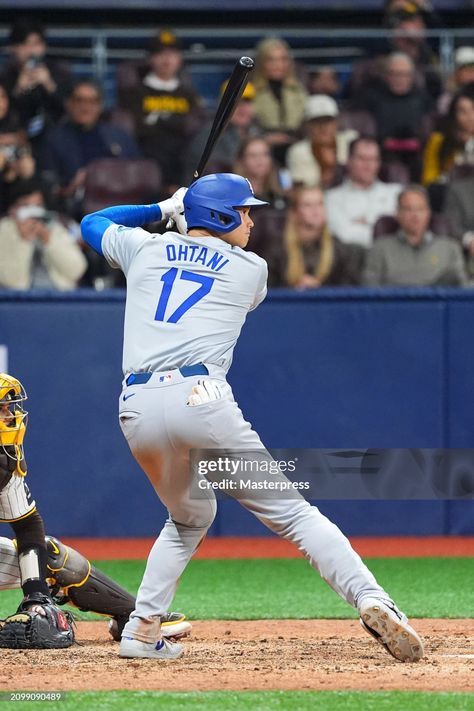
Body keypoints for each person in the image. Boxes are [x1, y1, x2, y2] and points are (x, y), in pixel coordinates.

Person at [81, 171, 425, 663]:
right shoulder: (250, 270)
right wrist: (185, 219)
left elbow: (94, 221)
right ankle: (373, 599)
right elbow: (207, 262)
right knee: (294, 515)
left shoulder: (144, 249)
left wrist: (163, 209)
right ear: (219, 216)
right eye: (242, 212)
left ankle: (141, 630)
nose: (250, 221)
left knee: (189, 515)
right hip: (200, 399)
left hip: (136, 407)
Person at [0, 372, 190, 648]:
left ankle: (133, 615)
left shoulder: (5, 461)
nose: (10, 416)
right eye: (1, 409)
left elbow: (27, 526)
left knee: (48, 555)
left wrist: (35, 594)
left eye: (9, 408)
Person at [38, 79, 140, 218]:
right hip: (79, 210)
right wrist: (71, 188)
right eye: (79, 101)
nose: (86, 107)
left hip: (122, 203)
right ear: (69, 104)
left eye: (92, 102)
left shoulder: (118, 136)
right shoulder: (55, 140)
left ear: (100, 106)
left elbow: (139, 170)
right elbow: (48, 185)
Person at [125, 30, 204, 193]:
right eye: (160, 54)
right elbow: (141, 129)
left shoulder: (188, 94)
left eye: (172, 54)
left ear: (179, 59)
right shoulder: (137, 93)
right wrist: (174, 122)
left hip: (183, 154)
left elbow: (195, 127)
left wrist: (159, 120)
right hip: (149, 154)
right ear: (150, 59)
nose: (167, 59)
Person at [363, 185, 467, 286]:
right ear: (397, 213)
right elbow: (369, 293)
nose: (415, 215)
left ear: (428, 213)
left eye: (420, 209)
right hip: (393, 303)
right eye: (408, 209)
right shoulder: (380, 248)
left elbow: (463, 292)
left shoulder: (449, 248)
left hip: (437, 303)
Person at [357, 52, 433, 181]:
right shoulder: (371, 97)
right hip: (382, 151)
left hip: (416, 153)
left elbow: (429, 128)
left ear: (412, 76)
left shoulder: (423, 98)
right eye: (395, 74)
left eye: (404, 74)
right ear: (386, 76)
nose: (400, 79)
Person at [0, 178, 87, 290]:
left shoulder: (54, 228)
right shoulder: (4, 229)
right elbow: (9, 280)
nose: (32, 212)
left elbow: (77, 270)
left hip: (57, 298)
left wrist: (48, 241)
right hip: (17, 300)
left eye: (37, 205)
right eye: (26, 206)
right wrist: (24, 240)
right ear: (13, 209)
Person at [269, 185, 362, 288]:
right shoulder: (277, 249)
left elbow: (348, 292)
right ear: (294, 213)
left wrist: (319, 290)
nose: (316, 210)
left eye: (320, 204)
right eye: (307, 205)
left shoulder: (339, 250)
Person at [0, 18, 71, 149]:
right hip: (17, 140)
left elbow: (69, 109)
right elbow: (5, 116)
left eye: (36, 44)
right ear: (13, 48)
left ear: (44, 47)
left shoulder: (59, 73)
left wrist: (50, 86)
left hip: (55, 136)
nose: (31, 51)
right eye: (25, 45)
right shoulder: (5, 77)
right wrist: (18, 90)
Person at [325, 137, 402, 249]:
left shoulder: (396, 193)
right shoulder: (332, 198)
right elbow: (344, 235)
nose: (368, 165)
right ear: (349, 161)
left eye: (373, 159)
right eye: (362, 159)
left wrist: (364, 221)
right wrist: (380, 226)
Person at [185, 81, 259, 177]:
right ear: (222, 105)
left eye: (247, 103)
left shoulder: (256, 131)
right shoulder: (209, 132)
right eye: (236, 103)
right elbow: (214, 168)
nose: (242, 108)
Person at [252, 37, 308, 164]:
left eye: (283, 59)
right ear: (261, 63)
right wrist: (264, 139)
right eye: (271, 60)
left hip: (295, 145)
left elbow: (306, 123)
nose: (278, 65)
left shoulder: (299, 91)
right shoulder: (250, 92)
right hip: (263, 147)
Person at [286, 95, 357, 189]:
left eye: (328, 121)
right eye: (317, 122)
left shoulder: (350, 140)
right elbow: (301, 191)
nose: (323, 127)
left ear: (336, 122)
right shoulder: (298, 152)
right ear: (307, 125)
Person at [422, 87, 474, 187]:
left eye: (473, 109)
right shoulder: (438, 141)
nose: (469, 117)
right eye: (462, 111)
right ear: (454, 114)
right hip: (448, 191)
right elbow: (429, 178)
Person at [437, 47, 474, 116]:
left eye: (473, 71)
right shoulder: (447, 99)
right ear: (457, 73)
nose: (472, 75)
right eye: (467, 71)